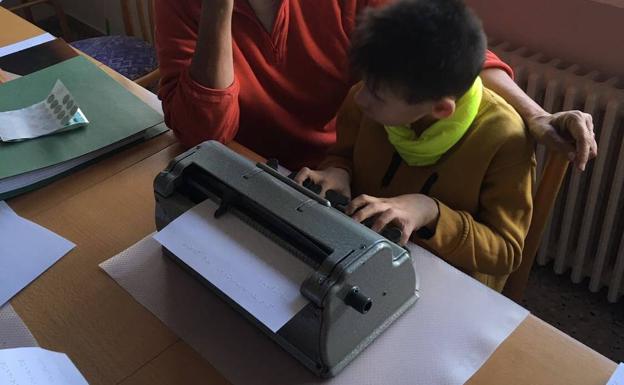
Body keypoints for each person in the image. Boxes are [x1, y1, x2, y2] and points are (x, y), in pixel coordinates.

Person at [155, 0, 597, 171]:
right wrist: (218, 8)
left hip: (342, 173)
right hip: (242, 170)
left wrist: (535, 115)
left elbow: (440, 55)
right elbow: (204, 138)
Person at [295, 0, 533, 291]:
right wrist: (337, 171)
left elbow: (505, 252)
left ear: (440, 110)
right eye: (365, 82)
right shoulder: (368, 97)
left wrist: (430, 212)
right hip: (363, 253)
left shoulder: (506, 140)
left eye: (378, 95)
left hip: (443, 283)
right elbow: (342, 154)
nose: (360, 98)